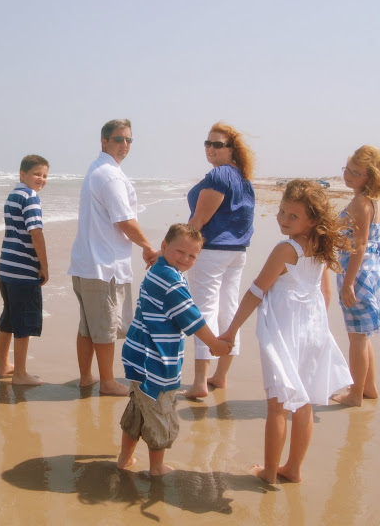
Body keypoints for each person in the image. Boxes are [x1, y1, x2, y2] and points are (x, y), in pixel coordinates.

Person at [218, 180, 353, 483]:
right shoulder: (319, 246)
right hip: (311, 330)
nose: (283, 219)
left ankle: (269, 473)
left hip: (284, 332)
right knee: (303, 402)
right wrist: (319, 325)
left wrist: (231, 330)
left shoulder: (286, 249)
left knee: (278, 404)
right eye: (281, 212)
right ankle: (292, 468)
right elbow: (323, 291)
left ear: (313, 220)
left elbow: (256, 291)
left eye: (293, 216)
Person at [117, 224, 233, 475]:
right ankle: (156, 468)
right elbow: (191, 319)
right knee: (160, 414)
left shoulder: (160, 269)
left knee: (138, 409)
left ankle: (124, 458)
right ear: (164, 247)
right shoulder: (169, 279)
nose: (186, 259)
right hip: (154, 359)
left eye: (193, 256)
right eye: (180, 252)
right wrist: (215, 345)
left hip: (139, 354)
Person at [68, 119, 158, 396]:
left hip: (87, 264)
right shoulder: (109, 175)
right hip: (103, 266)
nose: (125, 145)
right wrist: (148, 247)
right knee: (104, 330)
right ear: (104, 141)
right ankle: (107, 382)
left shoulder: (99, 170)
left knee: (87, 328)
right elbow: (125, 220)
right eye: (119, 139)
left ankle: (87, 377)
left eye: (129, 140)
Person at [183, 122, 256, 399]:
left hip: (212, 251)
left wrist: (177, 252)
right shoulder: (242, 178)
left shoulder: (219, 176)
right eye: (208, 143)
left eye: (218, 145)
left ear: (231, 150)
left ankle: (200, 381)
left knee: (205, 311)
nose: (211, 149)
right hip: (237, 253)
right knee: (228, 310)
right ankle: (220, 376)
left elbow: (199, 220)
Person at [332, 146, 380, 407]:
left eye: (355, 172)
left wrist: (348, 283)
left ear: (370, 176)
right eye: (347, 169)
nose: (348, 176)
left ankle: (355, 393)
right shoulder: (373, 200)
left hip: (359, 272)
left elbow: (360, 245)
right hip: (373, 269)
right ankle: (369, 387)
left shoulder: (361, 202)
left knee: (356, 337)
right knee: (363, 333)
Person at [0, 155, 50, 385]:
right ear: (22, 174)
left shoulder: (13, 195)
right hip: (23, 270)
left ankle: (2, 366)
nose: (41, 179)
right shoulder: (30, 197)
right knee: (23, 322)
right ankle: (19, 373)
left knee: (8, 317)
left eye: (45, 175)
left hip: (7, 267)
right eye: (37, 174)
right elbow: (35, 233)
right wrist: (44, 266)